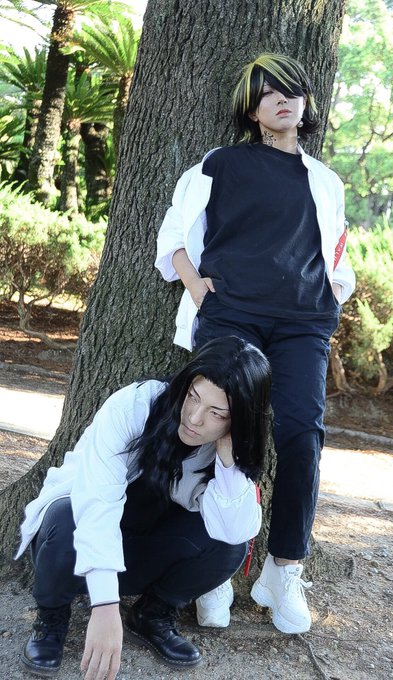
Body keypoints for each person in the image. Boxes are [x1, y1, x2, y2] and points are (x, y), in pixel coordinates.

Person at [155, 53, 356, 635]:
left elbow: (337, 251)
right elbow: (173, 236)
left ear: (305, 102)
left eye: (290, 90)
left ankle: (283, 570)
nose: (281, 100)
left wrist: (332, 298)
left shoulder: (325, 180)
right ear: (251, 109)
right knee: (220, 428)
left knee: (301, 436)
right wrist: (199, 291)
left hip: (303, 324)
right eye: (268, 93)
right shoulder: (219, 164)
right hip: (233, 315)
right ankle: (214, 567)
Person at [16, 336, 271, 679]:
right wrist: (105, 606)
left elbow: (234, 530)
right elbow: (97, 503)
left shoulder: (226, 450)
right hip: (71, 548)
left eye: (217, 413)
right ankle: (51, 617)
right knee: (67, 516)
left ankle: (151, 614)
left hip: (139, 551)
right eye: (192, 397)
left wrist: (228, 461)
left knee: (229, 544)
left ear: (237, 420)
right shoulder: (135, 405)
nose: (194, 418)